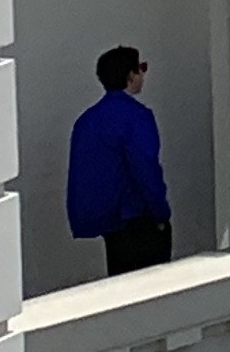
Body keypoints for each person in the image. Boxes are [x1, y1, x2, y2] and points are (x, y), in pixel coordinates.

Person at [67, 45, 172, 274]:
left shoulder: (86, 121)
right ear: (131, 75)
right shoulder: (136, 117)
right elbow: (146, 168)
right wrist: (161, 213)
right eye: (141, 68)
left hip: (110, 224)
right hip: (138, 218)